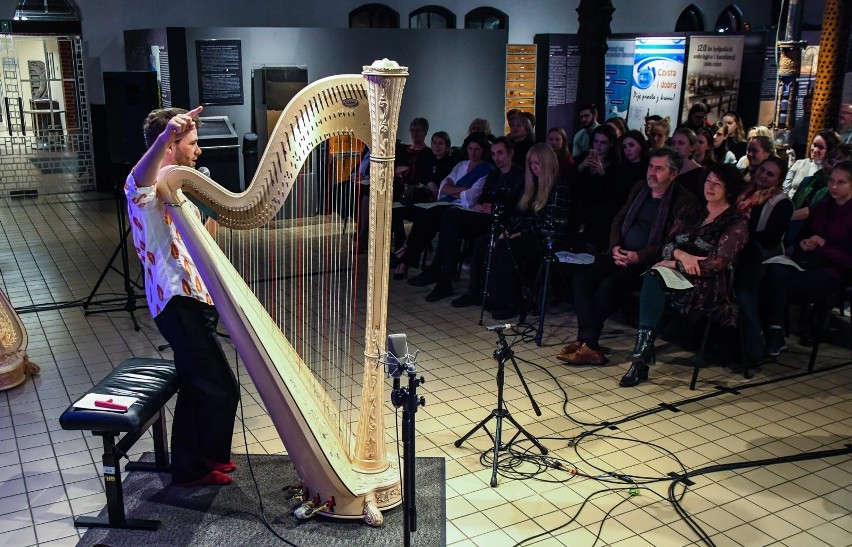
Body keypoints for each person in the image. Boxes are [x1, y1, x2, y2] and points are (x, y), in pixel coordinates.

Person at [125, 106, 239, 486]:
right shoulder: (144, 187)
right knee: (221, 387)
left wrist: (215, 212)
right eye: (192, 142)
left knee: (197, 384)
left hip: (196, 299)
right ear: (171, 145)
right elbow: (140, 177)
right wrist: (162, 136)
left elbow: (201, 245)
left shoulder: (177, 187)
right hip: (177, 303)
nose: (199, 150)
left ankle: (194, 465)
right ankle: (202, 461)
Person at [558, 148, 696, 365]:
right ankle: (588, 340)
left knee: (608, 285)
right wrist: (615, 246)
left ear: (673, 173)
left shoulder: (683, 200)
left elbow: (672, 241)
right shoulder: (640, 187)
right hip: (620, 252)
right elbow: (618, 219)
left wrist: (638, 255)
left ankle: (588, 343)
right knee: (581, 277)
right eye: (651, 166)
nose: (652, 172)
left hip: (648, 262)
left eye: (659, 169)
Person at [620, 164, 749, 387]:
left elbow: (714, 264)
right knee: (653, 276)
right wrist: (682, 256)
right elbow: (666, 245)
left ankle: (640, 358)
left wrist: (674, 262)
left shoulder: (736, 223)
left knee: (656, 280)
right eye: (708, 181)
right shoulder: (692, 210)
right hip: (677, 274)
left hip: (707, 284)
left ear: (729, 188)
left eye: (717, 183)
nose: (711, 186)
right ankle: (640, 355)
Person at [454, 143, 567, 319]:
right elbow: (520, 215)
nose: (533, 168)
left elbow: (550, 222)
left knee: (504, 249)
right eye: (531, 164)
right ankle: (476, 292)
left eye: (537, 163)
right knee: (484, 243)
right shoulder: (532, 185)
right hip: (525, 230)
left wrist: (519, 233)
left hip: (544, 236)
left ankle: (509, 301)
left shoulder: (558, 186)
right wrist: (508, 230)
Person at [413, 137, 524, 300]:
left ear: (511, 153)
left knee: (451, 218)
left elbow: (520, 205)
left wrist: (493, 208)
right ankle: (444, 278)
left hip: (503, 220)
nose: (497, 157)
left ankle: (442, 275)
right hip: (485, 215)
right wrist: (479, 206)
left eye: (500, 153)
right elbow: (480, 197)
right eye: (494, 154)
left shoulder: (519, 176)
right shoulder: (493, 174)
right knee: (449, 219)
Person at [762, 160, 852, 356]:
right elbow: (804, 233)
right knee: (771, 271)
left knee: (780, 282)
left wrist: (823, 247)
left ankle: (772, 333)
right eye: (831, 181)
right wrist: (804, 243)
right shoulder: (823, 207)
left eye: (841, 182)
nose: (834, 186)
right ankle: (772, 332)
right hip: (807, 262)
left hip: (834, 271)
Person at [393, 132, 493, 281]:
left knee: (429, 217)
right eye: (470, 148)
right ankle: (406, 258)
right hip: (446, 203)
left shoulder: (487, 170)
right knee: (423, 216)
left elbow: (470, 197)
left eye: (477, 149)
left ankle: (405, 257)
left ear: (483, 150)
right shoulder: (461, 165)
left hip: (463, 210)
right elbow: (442, 188)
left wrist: (453, 190)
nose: (472, 152)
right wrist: (461, 189)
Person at [733, 156, 793, 363]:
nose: (764, 176)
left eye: (770, 174)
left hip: (764, 256)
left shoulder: (781, 202)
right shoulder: (744, 194)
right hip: (737, 251)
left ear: (778, 179)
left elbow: (771, 238)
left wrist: (737, 239)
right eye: (762, 170)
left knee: (746, 281)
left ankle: (757, 336)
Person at [782, 130, 840, 197]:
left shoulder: (831, 172)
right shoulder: (799, 163)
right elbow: (785, 190)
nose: (815, 150)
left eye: (821, 148)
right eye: (814, 145)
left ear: (830, 150)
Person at [671, 127, 705, 197]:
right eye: (673, 143)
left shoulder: (700, 174)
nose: (676, 147)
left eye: (681, 143)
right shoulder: (670, 167)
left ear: (692, 147)